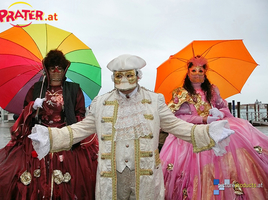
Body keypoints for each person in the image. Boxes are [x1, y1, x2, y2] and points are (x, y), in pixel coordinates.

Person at [28, 54, 234, 200]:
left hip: (144, 174)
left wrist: (209, 133)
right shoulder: (101, 103)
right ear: (113, 78)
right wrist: (51, 137)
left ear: (138, 75)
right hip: (111, 174)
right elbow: (80, 129)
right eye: (119, 75)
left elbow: (177, 126)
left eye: (129, 75)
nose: (124, 79)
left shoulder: (154, 101)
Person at [0, 50, 98, 200]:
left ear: (65, 70)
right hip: (39, 136)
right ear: (47, 70)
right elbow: (25, 114)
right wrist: (33, 106)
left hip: (65, 136)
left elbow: (79, 114)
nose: (56, 71)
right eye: (52, 68)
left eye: (59, 68)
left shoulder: (74, 89)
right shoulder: (37, 88)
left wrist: (69, 133)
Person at [160, 56, 268, 199]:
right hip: (191, 134)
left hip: (216, 128)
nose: (197, 73)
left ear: (205, 73)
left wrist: (219, 112)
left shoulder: (212, 90)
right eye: (194, 70)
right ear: (188, 72)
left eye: (201, 70)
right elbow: (178, 119)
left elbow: (225, 110)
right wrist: (203, 119)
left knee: (239, 134)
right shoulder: (180, 94)